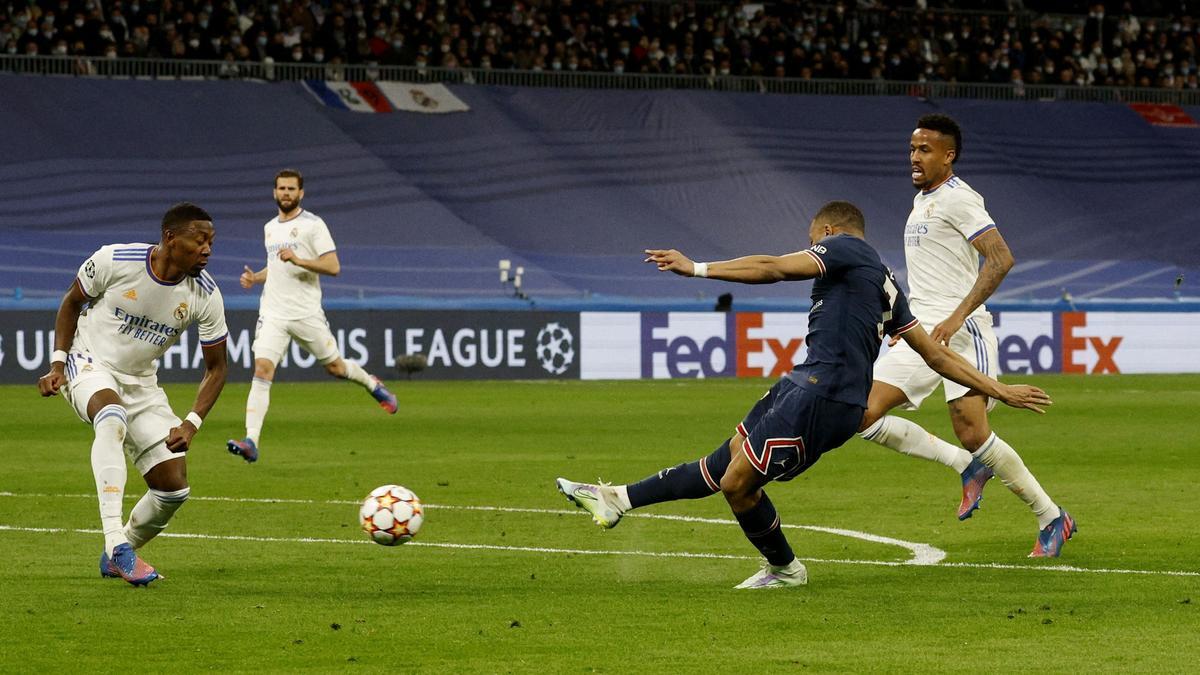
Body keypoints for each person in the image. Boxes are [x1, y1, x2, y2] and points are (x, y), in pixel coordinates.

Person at [556, 201, 1052, 589]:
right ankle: (616, 498)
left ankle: (786, 569)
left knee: (737, 484)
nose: (810, 248)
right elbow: (935, 356)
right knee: (720, 464)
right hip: (805, 384)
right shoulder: (887, 284)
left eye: (812, 240)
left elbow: (772, 267)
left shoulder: (848, 250)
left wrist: (698, 269)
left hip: (823, 396)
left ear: (828, 233)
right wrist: (998, 389)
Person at [858, 114, 1075, 557]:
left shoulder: (960, 199)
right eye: (912, 149)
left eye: (925, 150)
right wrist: (903, 320)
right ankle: (965, 466)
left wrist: (959, 316)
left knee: (973, 431)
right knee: (859, 415)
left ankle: (1051, 516)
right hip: (921, 330)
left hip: (962, 330)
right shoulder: (922, 202)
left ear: (948, 156)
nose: (914, 158)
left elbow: (1000, 259)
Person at [37, 202, 228, 586]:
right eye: (199, 240)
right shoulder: (115, 260)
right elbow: (72, 302)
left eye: (211, 241)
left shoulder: (205, 295)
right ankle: (117, 546)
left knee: (173, 488)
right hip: (88, 361)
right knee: (111, 416)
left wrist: (191, 423)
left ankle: (117, 552)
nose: (207, 249)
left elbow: (217, 368)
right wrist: (58, 364)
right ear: (171, 238)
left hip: (142, 384)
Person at [227, 169, 396, 463]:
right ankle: (251, 440)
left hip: (306, 313)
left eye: (292, 189)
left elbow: (333, 266)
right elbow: (278, 267)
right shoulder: (269, 228)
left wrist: (299, 259)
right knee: (263, 369)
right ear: (274, 192)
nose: (286, 193)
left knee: (336, 368)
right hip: (273, 313)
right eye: (282, 188)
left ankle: (372, 384)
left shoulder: (313, 225)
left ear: (301, 193)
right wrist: (256, 278)